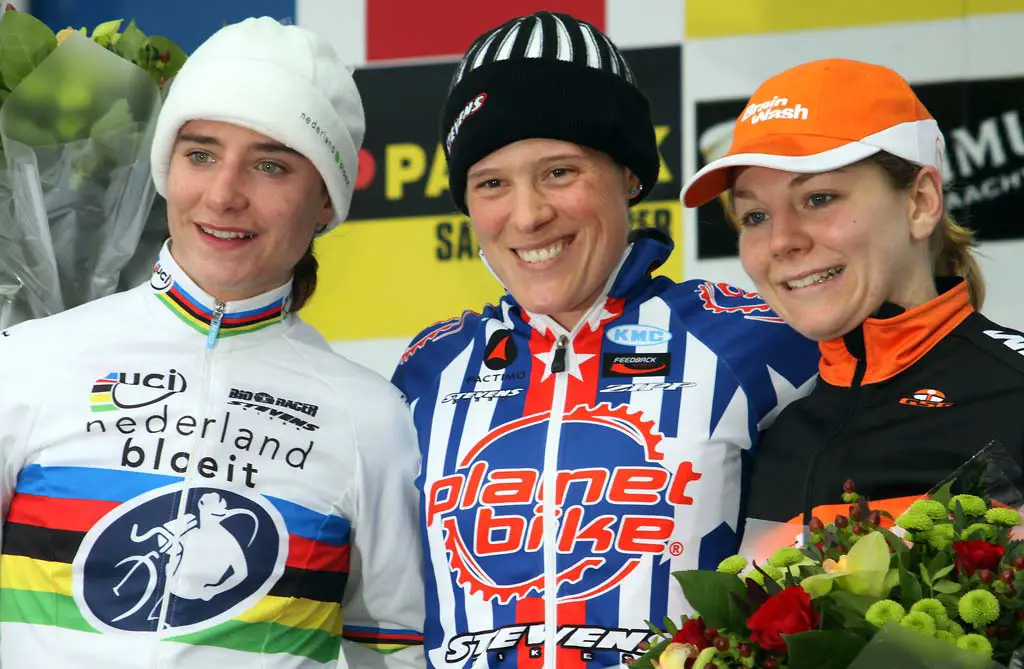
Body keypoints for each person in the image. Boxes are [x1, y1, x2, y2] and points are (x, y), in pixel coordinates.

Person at [390, 11, 819, 669]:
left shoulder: (757, 343)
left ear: (629, 176)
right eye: (491, 183)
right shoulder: (427, 370)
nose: (528, 214)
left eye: (560, 171)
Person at [0, 17, 424, 669]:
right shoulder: (29, 363)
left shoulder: (372, 420)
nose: (225, 194)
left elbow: (394, 651)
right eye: (200, 153)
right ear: (166, 168)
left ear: (326, 204)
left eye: (271, 165)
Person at [680, 57, 1024, 561]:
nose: (781, 241)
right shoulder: (774, 428)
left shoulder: (1013, 388)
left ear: (921, 202)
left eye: (818, 198)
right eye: (754, 215)